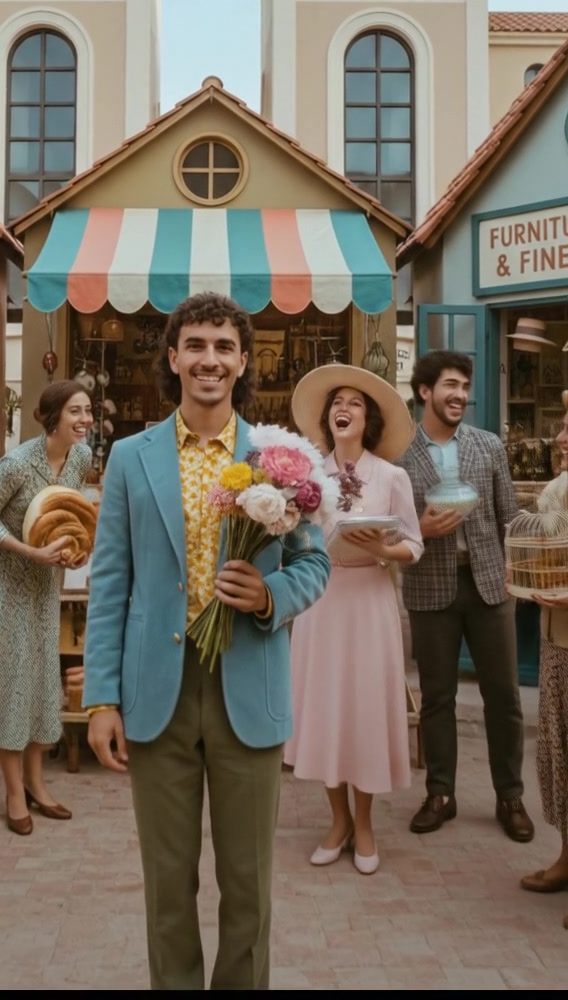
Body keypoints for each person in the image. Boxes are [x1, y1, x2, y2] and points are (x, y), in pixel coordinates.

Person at [84, 292, 329, 991]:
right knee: (167, 890)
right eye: (195, 345)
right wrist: (102, 696)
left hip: (247, 687)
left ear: (243, 361)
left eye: (223, 347)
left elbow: (315, 563)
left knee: (248, 890)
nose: (209, 359)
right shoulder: (131, 458)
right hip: (156, 691)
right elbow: (111, 584)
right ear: (173, 357)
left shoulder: (279, 459)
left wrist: (271, 596)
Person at [285, 365, 422, 874]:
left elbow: (414, 542)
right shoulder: (306, 477)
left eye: (355, 403)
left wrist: (386, 548)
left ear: (370, 419)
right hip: (322, 601)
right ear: (328, 417)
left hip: (370, 601)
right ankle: (337, 820)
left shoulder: (393, 476)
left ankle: (365, 825)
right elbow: (293, 540)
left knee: (364, 709)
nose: (344, 408)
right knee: (325, 709)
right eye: (337, 402)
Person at [397, 349, 534, 841]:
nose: (460, 395)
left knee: (504, 697)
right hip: (429, 588)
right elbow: (391, 527)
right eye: (450, 385)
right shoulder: (398, 452)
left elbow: (509, 517)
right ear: (425, 392)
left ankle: (510, 796)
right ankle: (440, 795)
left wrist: (517, 569)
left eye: (464, 386)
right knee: (437, 698)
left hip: (490, 586)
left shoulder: (489, 445)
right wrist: (420, 526)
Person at [0, 379, 93, 834]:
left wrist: (75, 550)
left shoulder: (82, 458)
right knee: (11, 688)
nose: (85, 420)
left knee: (39, 684)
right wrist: (31, 553)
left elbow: (67, 515)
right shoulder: (16, 464)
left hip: (44, 587)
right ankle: (14, 794)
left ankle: (37, 784)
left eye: (88, 411)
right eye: (76, 412)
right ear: (52, 418)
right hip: (7, 585)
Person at [519, 403, 568, 929]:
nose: (559, 436)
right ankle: (566, 857)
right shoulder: (556, 492)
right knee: (559, 753)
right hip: (557, 646)